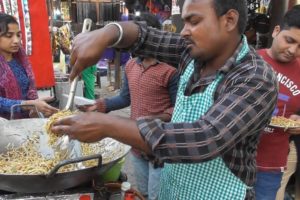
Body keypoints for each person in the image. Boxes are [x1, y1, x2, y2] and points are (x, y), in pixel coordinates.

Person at [52, 0, 278, 199]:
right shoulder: (190, 54)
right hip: (175, 189)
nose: (184, 31)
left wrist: (107, 125)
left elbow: (204, 139)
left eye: (194, 21)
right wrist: (107, 33)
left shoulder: (255, 77)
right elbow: (145, 36)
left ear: (229, 20)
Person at [79, 12, 178, 200]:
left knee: (159, 195)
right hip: (136, 144)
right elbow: (125, 98)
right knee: (143, 193)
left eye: (134, 38)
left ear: (151, 37)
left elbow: (178, 108)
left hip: (159, 147)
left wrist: (156, 118)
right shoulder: (131, 66)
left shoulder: (170, 70)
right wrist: (100, 105)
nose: (131, 44)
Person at [253, 5, 300, 200]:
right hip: (236, 157)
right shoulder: (250, 60)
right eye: (290, 40)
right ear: (276, 31)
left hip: (271, 164)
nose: (293, 50)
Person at [0, 13, 58, 119]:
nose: (16, 41)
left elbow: (28, 91)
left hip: (24, 124)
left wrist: (34, 108)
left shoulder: (21, 60)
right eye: (9, 36)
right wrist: (27, 105)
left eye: (18, 35)